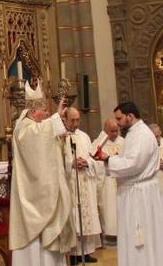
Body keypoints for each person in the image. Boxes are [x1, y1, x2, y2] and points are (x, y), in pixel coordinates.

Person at [93, 103, 163, 266]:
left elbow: (133, 164)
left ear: (130, 116)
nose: (117, 123)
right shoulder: (134, 133)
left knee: (143, 237)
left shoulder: (141, 135)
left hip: (140, 194)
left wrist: (107, 159)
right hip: (135, 191)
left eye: (119, 118)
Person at [9, 82, 76, 265]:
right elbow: (37, 139)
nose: (46, 114)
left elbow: (48, 141)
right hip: (33, 200)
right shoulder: (24, 129)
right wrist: (55, 120)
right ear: (32, 111)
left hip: (45, 194)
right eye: (44, 111)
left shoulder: (37, 126)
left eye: (47, 111)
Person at [63, 107, 102, 262]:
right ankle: (72, 254)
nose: (76, 123)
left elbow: (93, 157)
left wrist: (87, 163)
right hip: (70, 182)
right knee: (74, 217)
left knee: (87, 217)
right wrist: (71, 163)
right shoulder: (61, 137)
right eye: (73, 120)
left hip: (85, 179)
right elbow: (56, 160)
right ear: (64, 119)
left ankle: (86, 252)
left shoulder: (84, 137)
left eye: (78, 119)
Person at [92, 118, 124, 239]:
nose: (115, 134)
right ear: (105, 130)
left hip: (121, 181)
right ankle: (110, 235)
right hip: (107, 181)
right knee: (109, 209)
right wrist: (108, 162)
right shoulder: (99, 143)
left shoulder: (124, 142)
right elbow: (93, 161)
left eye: (116, 131)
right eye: (111, 131)